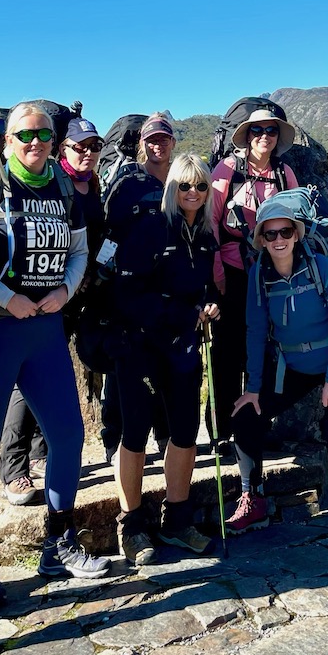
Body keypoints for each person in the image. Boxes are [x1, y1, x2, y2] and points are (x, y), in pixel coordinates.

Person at [0, 102, 110, 606]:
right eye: (24, 135)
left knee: (68, 436)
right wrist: (5, 298)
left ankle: (58, 542)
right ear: (6, 140)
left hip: (44, 329)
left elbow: (79, 249)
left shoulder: (62, 187)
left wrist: (65, 290)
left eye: (43, 134)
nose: (34, 142)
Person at [229, 199, 328, 541]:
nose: (279, 240)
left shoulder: (320, 267)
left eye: (286, 232)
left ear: (297, 235)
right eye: (271, 234)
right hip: (294, 367)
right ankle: (253, 498)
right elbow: (255, 331)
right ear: (261, 240)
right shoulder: (259, 275)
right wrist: (253, 388)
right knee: (245, 418)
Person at [110, 154, 220, 564]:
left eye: (201, 186)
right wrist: (182, 313)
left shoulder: (205, 235)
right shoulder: (151, 228)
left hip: (182, 346)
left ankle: (177, 520)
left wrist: (210, 304)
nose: (193, 192)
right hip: (139, 345)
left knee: (186, 431)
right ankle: (131, 526)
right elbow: (127, 294)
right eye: (184, 185)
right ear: (171, 188)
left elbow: (203, 287)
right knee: (135, 432)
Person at [0, 117, 107, 506]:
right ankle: (13, 467)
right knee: (25, 382)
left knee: (51, 377)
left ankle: (41, 453)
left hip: (74, 295)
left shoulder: (91, 185)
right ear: (63, 149)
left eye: (94, 146)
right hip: (39, 298)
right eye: (80, 146)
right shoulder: (55, 184)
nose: (88, 153)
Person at [210, 109, 299, 445]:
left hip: (271, 275)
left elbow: (297, 220)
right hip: (232, 274)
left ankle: (254, 426)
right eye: (258, 130)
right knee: (228, 352)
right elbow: (211, 221)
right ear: (247, 135)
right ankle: (223, 429)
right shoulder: (227, 169)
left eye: (271, 131)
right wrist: (217, 273)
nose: (265, 136)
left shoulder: (284, 173)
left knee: (264, 350)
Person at [98, 113, 175, 465]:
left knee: (164, 364)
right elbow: (109, 232)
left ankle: (165, 435)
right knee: (123, 367)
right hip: (128, 289)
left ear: (173, 142)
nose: (158, 144)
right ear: (142, 143)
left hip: (169, 289)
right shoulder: (128, 181)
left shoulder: (182, 181)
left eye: (164, 138)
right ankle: (115, 439)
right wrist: (103, 277)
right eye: (151, 139)